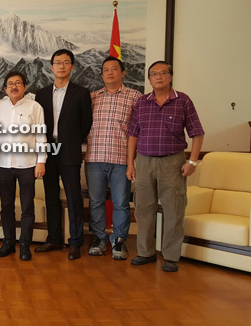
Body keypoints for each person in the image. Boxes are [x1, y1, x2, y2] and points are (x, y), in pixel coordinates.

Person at [126, 60, 204, 272]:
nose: (158, 77)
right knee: (143, 209)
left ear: (170, 76)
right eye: (154, 74)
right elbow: (133, 134)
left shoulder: (183, 101)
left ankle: (170, 257)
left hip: (173, 162)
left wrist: (192, 161)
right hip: (143, 162)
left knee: (173, 209)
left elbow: (197, 133)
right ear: (149, 79)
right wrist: (129, 164)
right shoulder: (141, 102)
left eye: (163, 73)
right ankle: (145, 253)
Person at [34, 49, 92, 260]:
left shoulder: (81, 93)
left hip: (69, 149)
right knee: (51, 196)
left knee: (73, 196)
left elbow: (86, 123)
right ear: (51, 67)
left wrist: (71, 140)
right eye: (57, 63)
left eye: (66, 63)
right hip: (48, 150)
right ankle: (54, 239)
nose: (61, 66)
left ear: (72, 67)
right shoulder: (40, 94)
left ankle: (75, 242)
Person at [84, 56, 141, 260]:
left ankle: (118, 241)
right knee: (96, 202)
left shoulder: (135, 97)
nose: (110, 73)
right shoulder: (92, 97)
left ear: (123, 73)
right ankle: (99, 238)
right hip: (94, 157)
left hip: (121, 159)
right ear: (101, 75)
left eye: (114, 69)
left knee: (121, 203)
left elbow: (138, 130)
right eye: (106, 70)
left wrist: (131, 162)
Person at [0, 71, 47, 261]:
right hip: (4, 164)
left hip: (28, 165)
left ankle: (25, 244)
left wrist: (41, 161)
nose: (14, 87)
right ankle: (8, 242)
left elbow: (41, 135)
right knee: (6, 206)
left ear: (25, 87)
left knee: (26, 207)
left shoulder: (35, 107)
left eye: (18, 83)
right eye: (10, 84)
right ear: (5, 88)